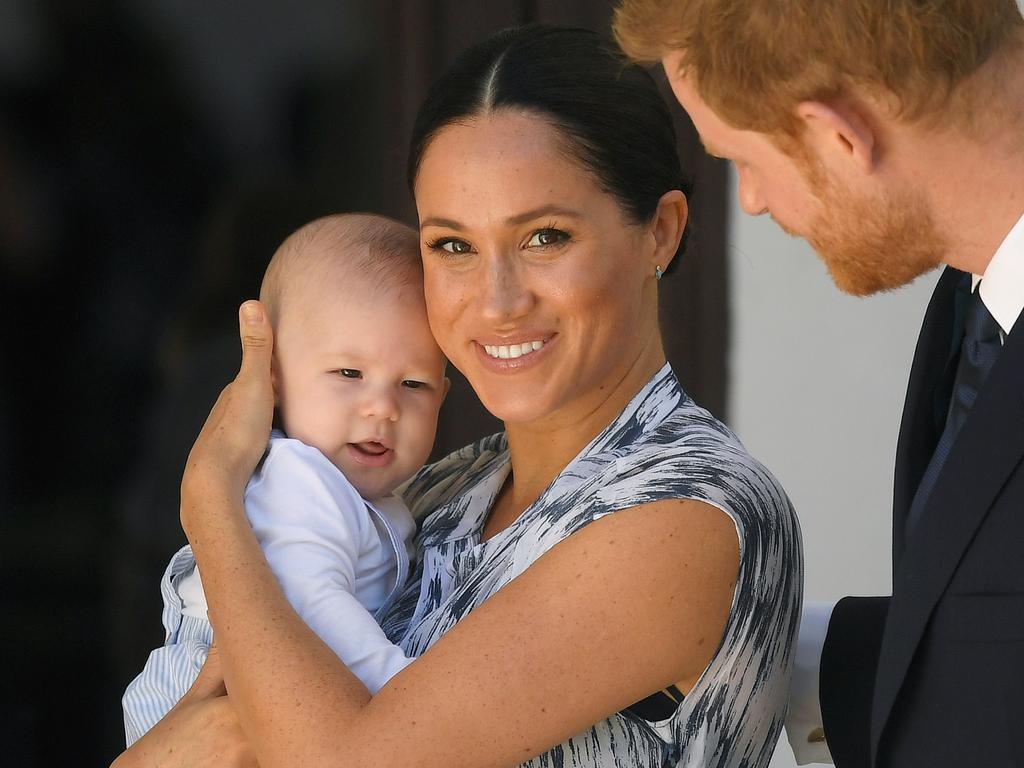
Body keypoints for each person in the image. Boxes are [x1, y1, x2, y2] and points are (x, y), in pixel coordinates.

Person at [111, 25, 802, 768]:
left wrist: (212, 498)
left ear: (660, 233)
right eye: (452, 246)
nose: (497, 301)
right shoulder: (440, 490)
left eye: (545, 237)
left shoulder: (688, 512)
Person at [612, 1, 1024, 766]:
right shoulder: (975, 298)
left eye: (742, 159)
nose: (753, 201)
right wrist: (741, 638)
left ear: (841, 137)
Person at [121, 213, 448, 744]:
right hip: (207, 701)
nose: (383, 407)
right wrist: (401, 691)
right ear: (272, 377)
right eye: (349, 373)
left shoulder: (372, 494)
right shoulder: (300, 481)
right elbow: (313, 603)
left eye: (414, 384)